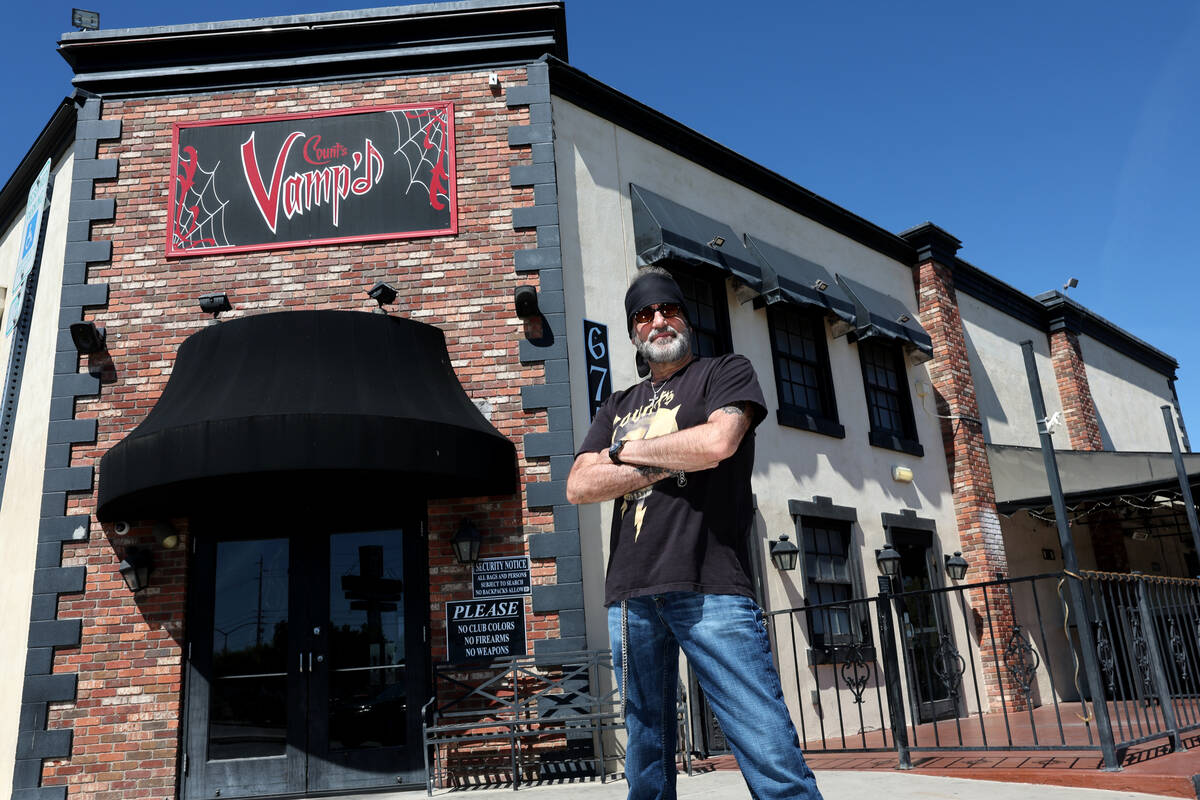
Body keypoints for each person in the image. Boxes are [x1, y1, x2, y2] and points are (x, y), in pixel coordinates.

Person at [566, 267, 823, 800]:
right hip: (630, 597)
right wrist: (670, 455)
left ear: (685, 316)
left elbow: (717, 443)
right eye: (644, 315)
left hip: (712, 587)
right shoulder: (616, 404)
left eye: (668, 309)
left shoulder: (725, 373)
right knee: (645, 758)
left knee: (768, 749)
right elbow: (579, 485)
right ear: (634, 331)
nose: (658, 320)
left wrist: (621, 453)